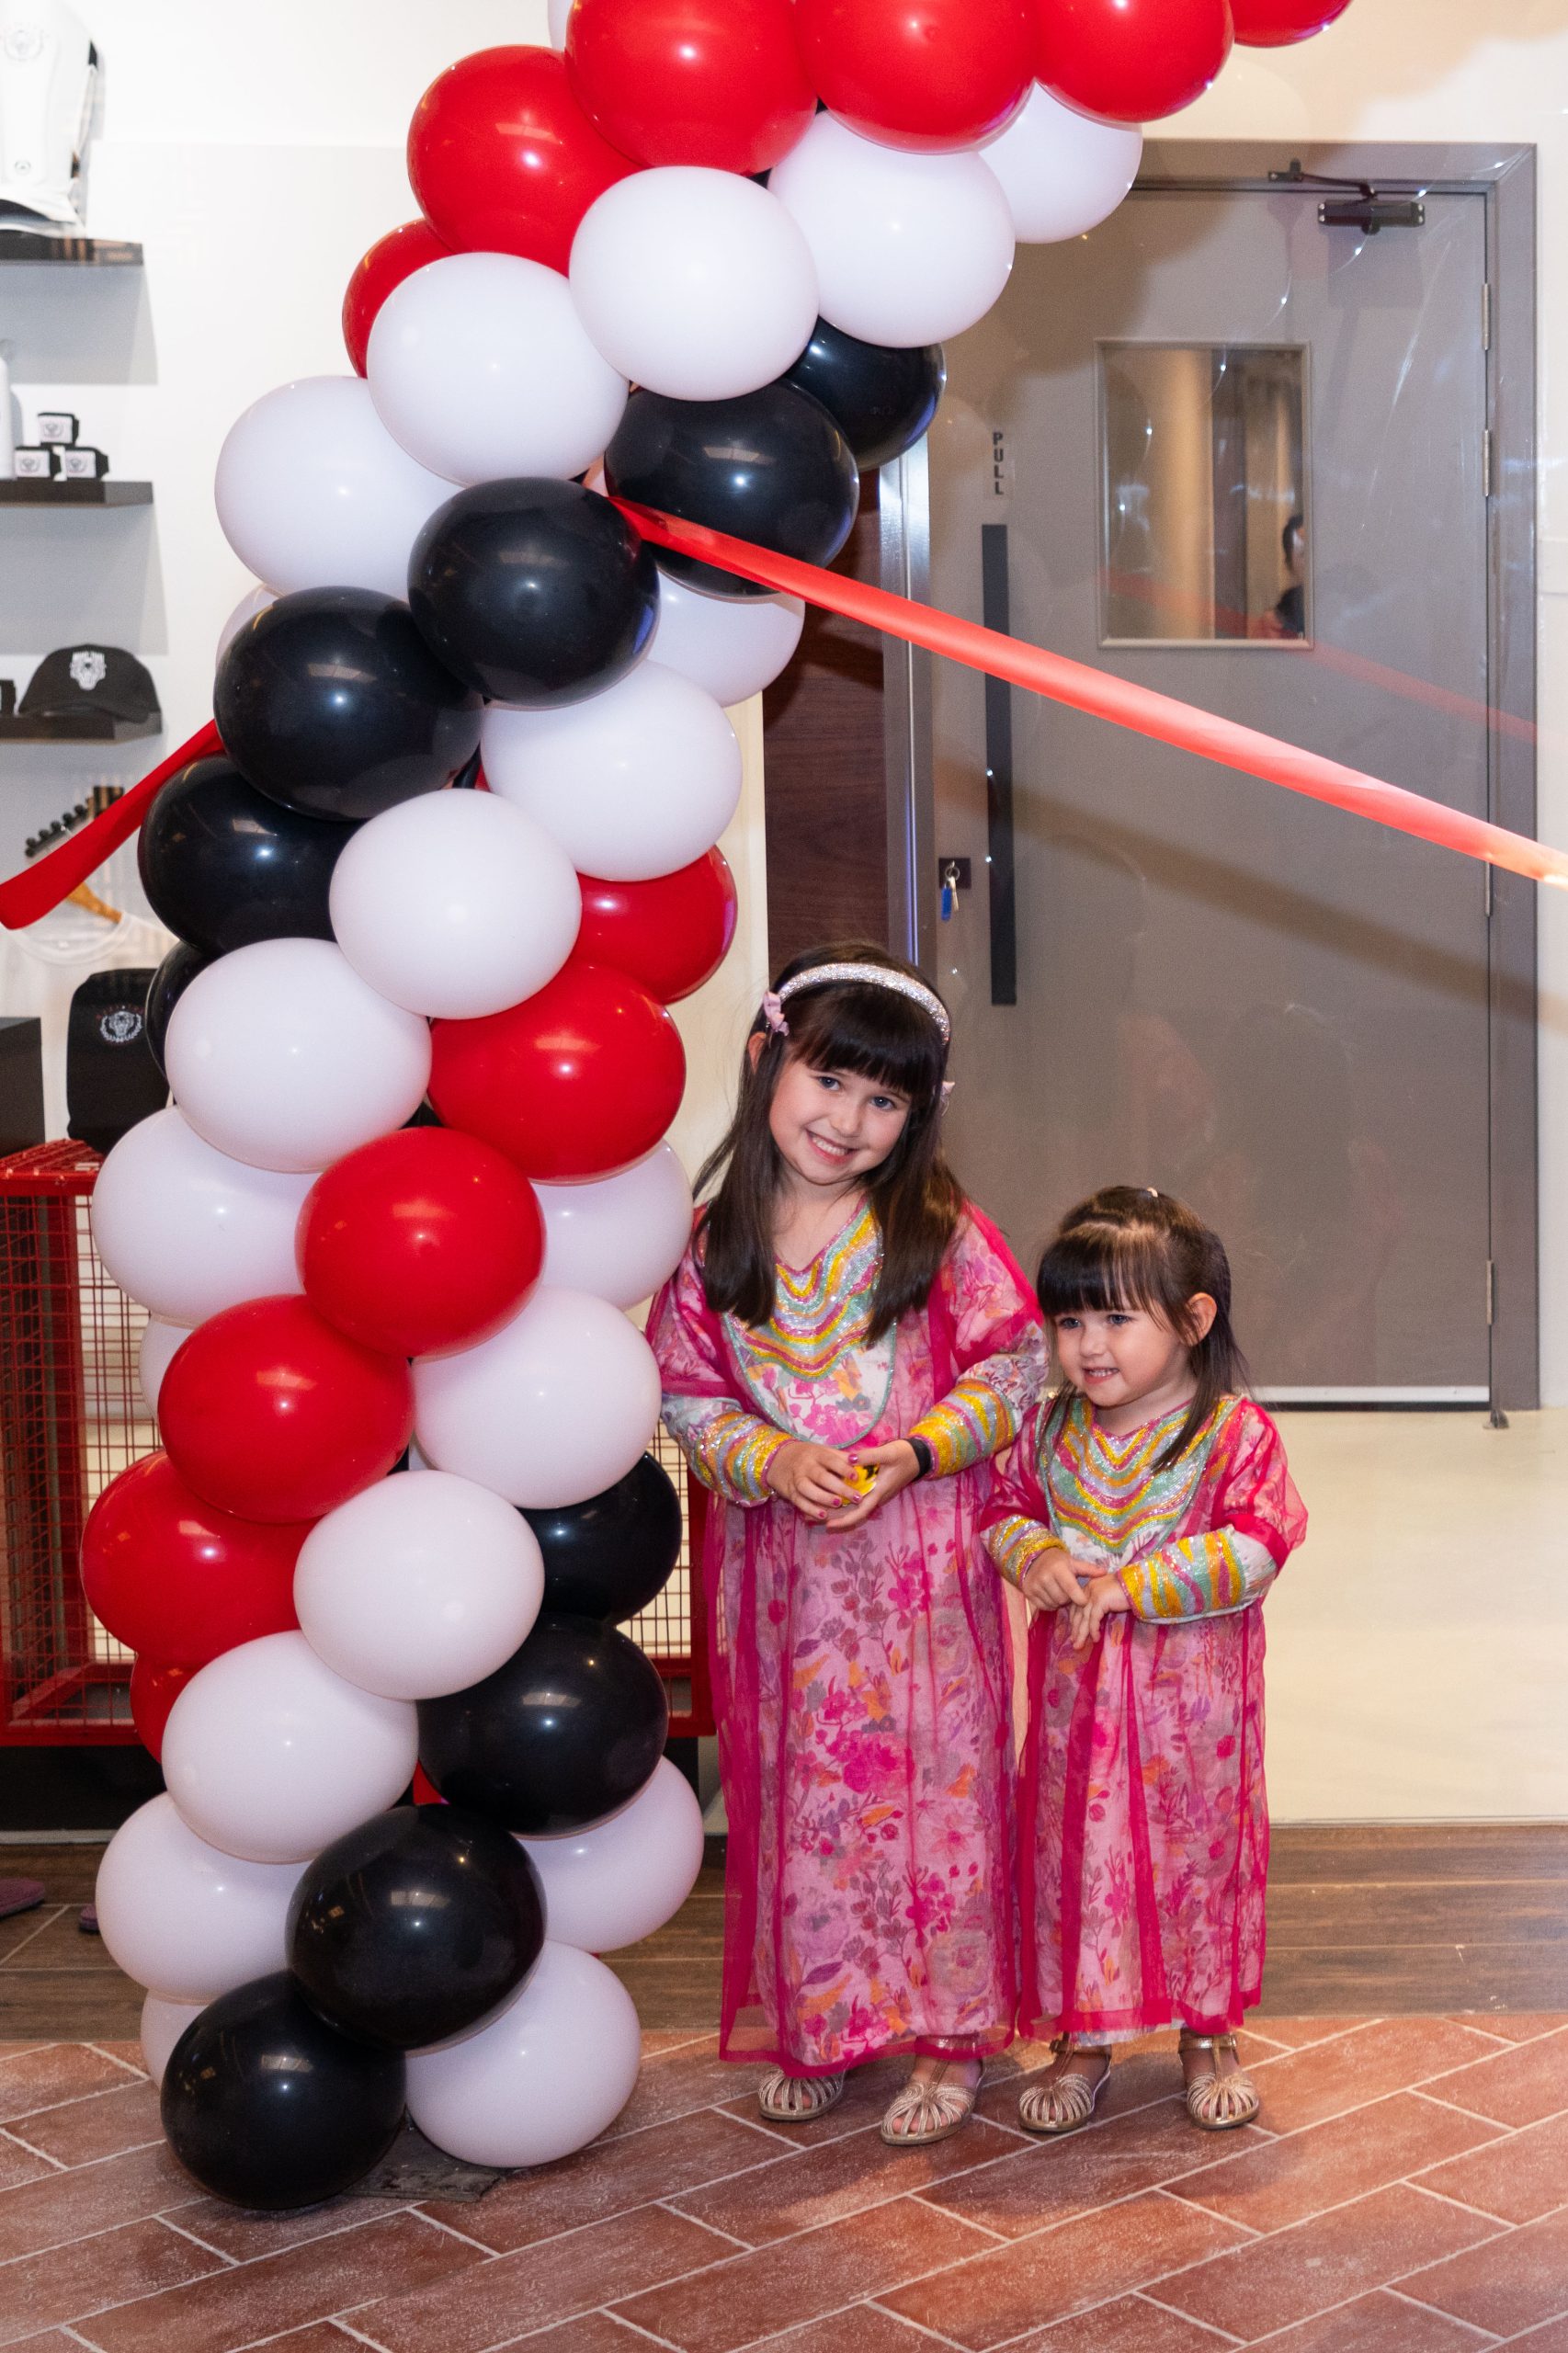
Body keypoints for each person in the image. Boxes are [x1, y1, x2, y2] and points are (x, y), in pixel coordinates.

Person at [650, 944, 1045, 2148]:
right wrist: (768, 1459)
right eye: (828, 1081)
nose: (847, 1120)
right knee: (808, 1800)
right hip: (789, 1588)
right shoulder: (706, 1243)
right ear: (765, 1058)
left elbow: (1015, 1368)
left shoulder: (936, 1232)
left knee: (939, 1795)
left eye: (883, 1101)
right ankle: (822, 2021)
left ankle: (950, 2034)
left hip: (923, 1580)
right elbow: (683, 1390)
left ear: (916, 1117)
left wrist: (915, 1451)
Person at [982, 1186, 1306, 2135]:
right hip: (1073, 1712)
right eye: (1069, 1321)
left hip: (1192, 1722)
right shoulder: (1046, 1430)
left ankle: (1208, 2033)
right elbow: (1002, 1508)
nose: (1088, 1345)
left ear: (1193, 1321)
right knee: (1073, 1860)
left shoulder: (1232, 1434)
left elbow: (1262, 1541)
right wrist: (1036, 1557)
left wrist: (1135, 1584)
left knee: (1194, 1862)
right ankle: (1082, 2040)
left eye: (1116, 1319)